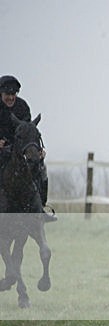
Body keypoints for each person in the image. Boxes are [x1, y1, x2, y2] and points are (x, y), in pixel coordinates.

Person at [0, 75, 57, 222]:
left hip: (18, 151)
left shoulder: (23, 107)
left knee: (41, 168)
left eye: (14, 94)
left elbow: (28, 131)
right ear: (1, 93)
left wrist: (37, 150)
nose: (11, 98)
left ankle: (41, 208)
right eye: (8, 95)